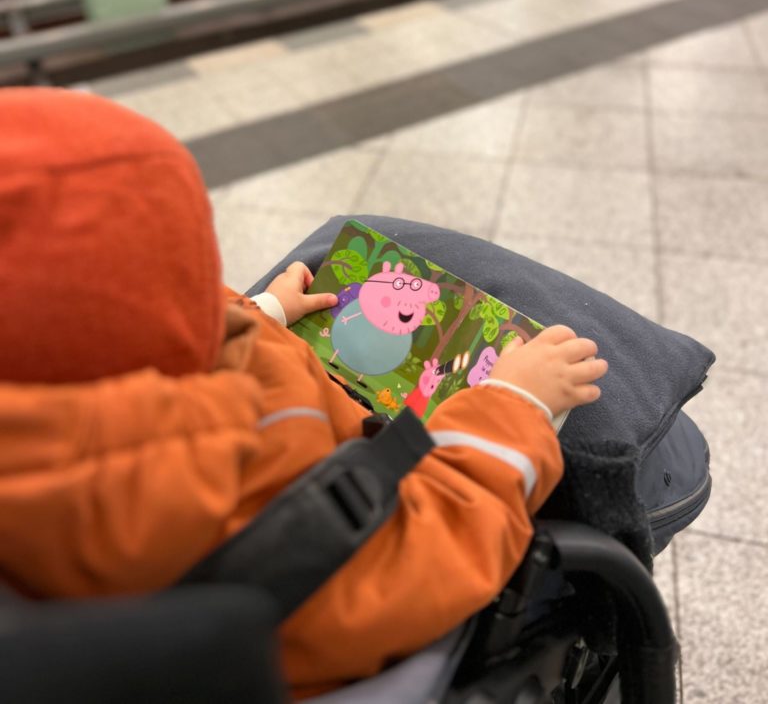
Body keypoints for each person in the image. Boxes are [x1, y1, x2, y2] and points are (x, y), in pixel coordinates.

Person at [0, 88, 608, 699]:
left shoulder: (51, 430)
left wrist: (256, 314)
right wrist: (515, 406)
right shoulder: (180, 486)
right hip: (381, 515)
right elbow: (411, 567)